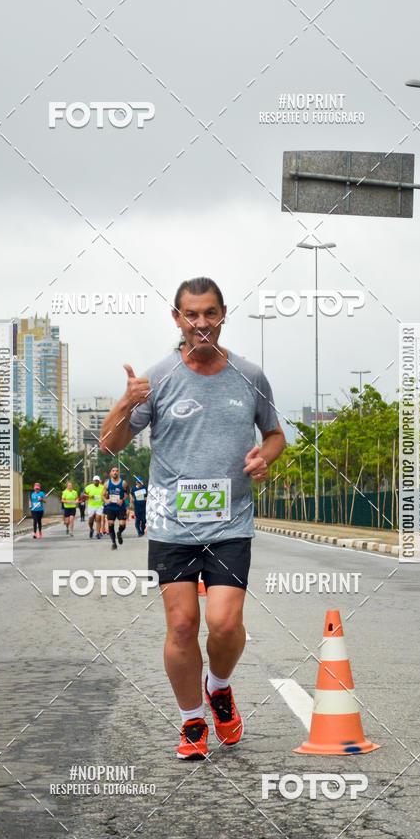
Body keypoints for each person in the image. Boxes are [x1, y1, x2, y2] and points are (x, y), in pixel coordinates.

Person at [100, 277, 285, 759]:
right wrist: (126, 402)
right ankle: (191, 721)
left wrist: (264, 458)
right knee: (182, 626)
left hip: (230, 521)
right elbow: (110, 444)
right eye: (191, 314)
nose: (201, 323)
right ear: (177, 318)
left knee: (224, 623)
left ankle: (218, 686)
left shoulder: (250, 375)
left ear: (223, 314)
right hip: (171, 523)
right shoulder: (157, 378)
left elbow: (275, 435)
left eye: (210, 313)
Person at [102, 466, 127, 550]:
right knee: (111, 525)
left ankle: (119, 533)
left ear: (118, 472)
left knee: (122, 524)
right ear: (110, 473)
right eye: (113, 471)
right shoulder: (107, 483)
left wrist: (122, 500)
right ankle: (113, 543)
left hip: (120, 507)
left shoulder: (123, 483)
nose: (115, 472)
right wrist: (106, 500)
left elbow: (127, 493)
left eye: (116, 471)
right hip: (111, 507)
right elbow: (103, 495)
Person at [84, 474, 103, 539]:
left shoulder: (102, 487)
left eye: (97, 481)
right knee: (90, 521)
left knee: (98, 518)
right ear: (93, 481)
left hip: (99, 506)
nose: (96, 482)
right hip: (91, 506)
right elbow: (82, 494)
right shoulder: (89, 487)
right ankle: (91, 529)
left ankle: (98, 533)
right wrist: (89, 496)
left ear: (99, 481)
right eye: (95, 481)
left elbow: (106, 494)